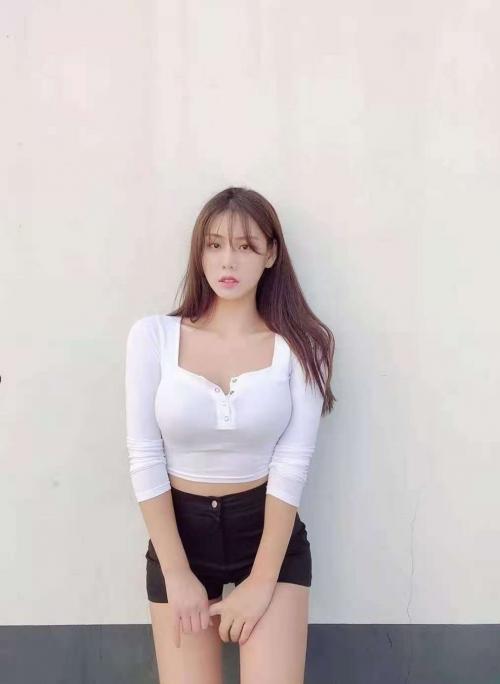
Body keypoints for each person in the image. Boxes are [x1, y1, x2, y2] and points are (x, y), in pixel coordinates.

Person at [125, 186, 336, 683]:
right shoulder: (153, 336)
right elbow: (144, 456)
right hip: (180, 537)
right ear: (199, 252)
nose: (228, 261)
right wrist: (177, 573)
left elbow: (292, 464)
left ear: (271, 254)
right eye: (215, 244)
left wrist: (262, 582)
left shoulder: (305, 344)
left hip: (266, 533)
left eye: (245, 246)